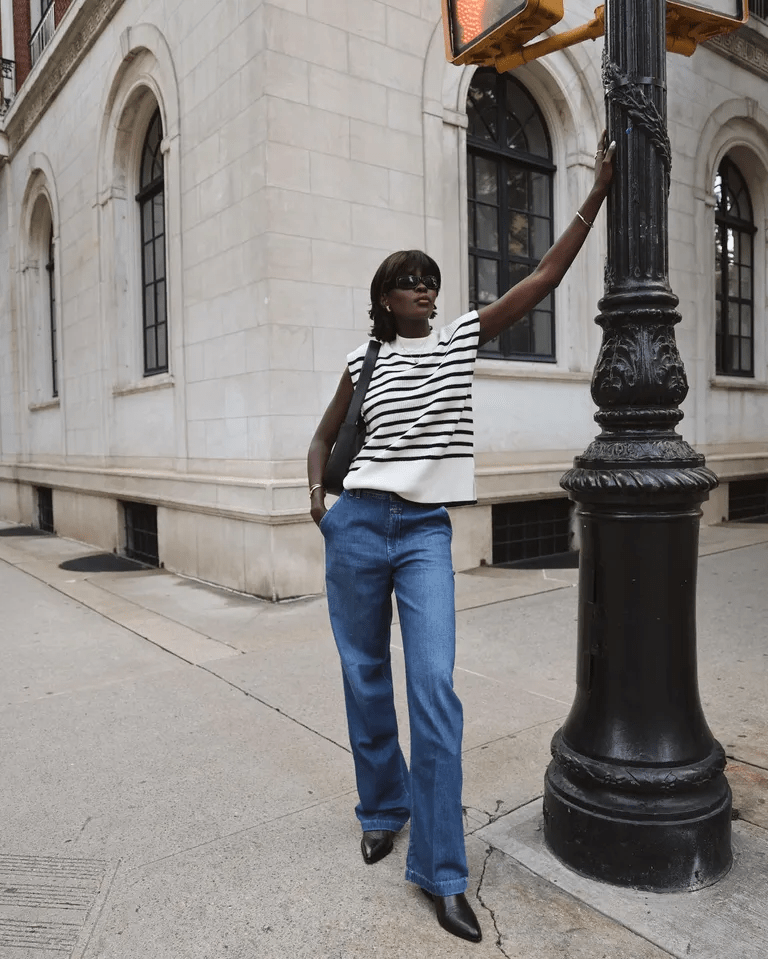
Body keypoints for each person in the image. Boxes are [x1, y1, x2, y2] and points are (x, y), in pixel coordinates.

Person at [307, 133, 616, 943]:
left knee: (434, 688)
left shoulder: (456, 342)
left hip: (423, 535)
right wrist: (319, 500)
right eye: (409, 283)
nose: (424, 291)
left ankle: (442, 871)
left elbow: (541, 279)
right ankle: (381, 806)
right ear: (383, 297)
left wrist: (595, 194)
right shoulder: (362, 358)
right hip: (358, 525)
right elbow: (323, 439)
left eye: (430, 281)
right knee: (364, 675)